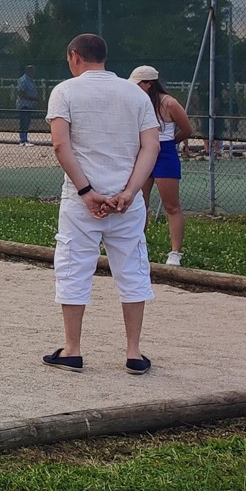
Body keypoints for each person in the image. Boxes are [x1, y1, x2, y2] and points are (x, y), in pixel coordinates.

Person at [42, 34, 160, 374]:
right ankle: (134, 352)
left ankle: (73, 348)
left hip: (82, 202)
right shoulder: (134, 93)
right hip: (126, 200)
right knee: (133, 268)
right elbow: (150, 147)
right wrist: (130, 191)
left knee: (73, 266)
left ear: (75, 57)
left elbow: (61, 146)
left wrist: (86, 191)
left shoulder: (65, 91)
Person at [129, 66, 193, 266]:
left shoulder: (169, 103)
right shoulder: (138, 102)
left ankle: (175, 253)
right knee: (140, 203)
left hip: (164, 153)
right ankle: (137, 245)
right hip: (144, 151)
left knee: (171, 205)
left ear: (149, 84)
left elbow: (187, 129)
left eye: (139, 84)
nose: (136, 88)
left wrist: (169, 143)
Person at [15, 65, 39, 145]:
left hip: (28, 105)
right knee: (24, 122)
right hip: (23, 105)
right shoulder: (23, 80)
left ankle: (25, 139)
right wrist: (32, 98)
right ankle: (23, 140)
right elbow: (20, 93)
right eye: (33, 71)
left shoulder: (30, 80)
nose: (34, 72)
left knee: (27, 122)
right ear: (28, 71)